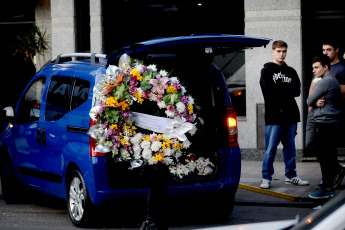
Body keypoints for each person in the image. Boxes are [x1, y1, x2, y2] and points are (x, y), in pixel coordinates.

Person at [259, 40, 309, 189]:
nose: (282, 54)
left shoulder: (291, 71)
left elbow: (297, 91)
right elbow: (268, 91)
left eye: (284, 51)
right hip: (274, 116)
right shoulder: (266, 71)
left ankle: (291, 176)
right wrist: (285, 88)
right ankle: (266, 177)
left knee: (290, 148)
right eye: (279, 51)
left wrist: (279, 88)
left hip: (291, 115)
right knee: (271, 148)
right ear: (273, 52)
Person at [305, 40, 345, 189]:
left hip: (327, 120)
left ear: (325, 67)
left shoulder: (326, 81)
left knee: (326, 155)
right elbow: (313, 100)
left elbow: (309, 99)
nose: (313, 71)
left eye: (316, 68)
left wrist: (313, 101)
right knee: (323, 153)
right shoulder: (327, 79)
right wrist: (314, 103)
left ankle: (327, 186)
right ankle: (330, 180)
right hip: (323, 118)